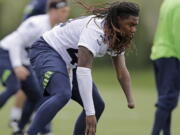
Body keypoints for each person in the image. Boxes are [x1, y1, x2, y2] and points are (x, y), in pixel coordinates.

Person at [25, 1, 140, 135]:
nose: (133, 30)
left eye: (135, 25)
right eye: (130, 25)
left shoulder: (116, 34)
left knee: (97, 105)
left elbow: (121, 71)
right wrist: (89, 114)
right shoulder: (95, 30)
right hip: (47, 50)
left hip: (69, 62)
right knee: (62, 94)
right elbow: (83, 71)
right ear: (117, 20)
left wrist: (130, 99)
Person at [0, 0, 70, 135]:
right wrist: (17, 66)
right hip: (6, 53)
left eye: (66, 12)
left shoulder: (58, 28)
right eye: (63, 12)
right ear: (53, 11)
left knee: (36, 95)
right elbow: (16, 41)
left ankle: (19, 130)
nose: (65, 15)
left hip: (24, 61)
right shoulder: (36, 23)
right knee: (13, 87)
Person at [150, 0, 180, 135]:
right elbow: (177, 34)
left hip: (159, 53)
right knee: (168, 99)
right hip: (171, 55)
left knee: (165, 99)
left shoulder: (168, 2)